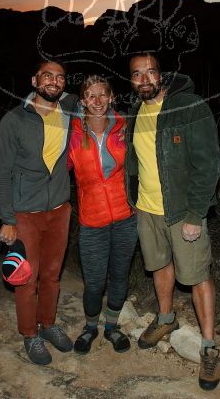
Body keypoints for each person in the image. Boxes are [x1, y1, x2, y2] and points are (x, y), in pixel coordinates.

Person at [124, 52, 220, 391]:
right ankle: (166, 319)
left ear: (161, 75)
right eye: (137, 74)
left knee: (196, 276)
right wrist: (133, 199)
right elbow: (135, 162)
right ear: (132, 81)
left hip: (182, 212)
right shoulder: (136, 112)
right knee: (159, 266)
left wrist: (196, 215)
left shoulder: (189, 106)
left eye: (150, 72)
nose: (145, 79)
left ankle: (209, 346)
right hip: (147, 210)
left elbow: (208, 164)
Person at [0, 60, 77, 366]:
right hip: (25, 212)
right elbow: (1, 174)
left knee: (52, 275)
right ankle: (30, 334)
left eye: (60, 77)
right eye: (47, 75)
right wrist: (7, 219)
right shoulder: (14, 121)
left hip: (59, 210)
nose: (54, 81)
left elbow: (96, 99)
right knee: (26, 278)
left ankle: (49, 324)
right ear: (34, 79)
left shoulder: (69, 112)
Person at [66, 75, 138, 355]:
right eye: (90, 96)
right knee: (94, 282)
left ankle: (112, 327)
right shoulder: (72, 133)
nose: (97, 101)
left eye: (102, 95)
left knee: (120, 276)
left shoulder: (125, 127)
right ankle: (89, 327)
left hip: (125, 217)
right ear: (82, 100)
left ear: (111, 97)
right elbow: (57, 170)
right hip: (91, 221)